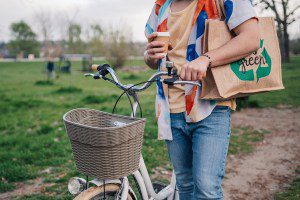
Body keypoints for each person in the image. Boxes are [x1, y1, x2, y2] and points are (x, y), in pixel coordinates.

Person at [144, 0, 260, 199]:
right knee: (185, 185)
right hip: (170, 108)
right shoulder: (161, 5)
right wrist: (150, 55)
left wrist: (206, 59)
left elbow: (251, 38)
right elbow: (151, 60)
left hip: (210, 105)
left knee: (206, 189)